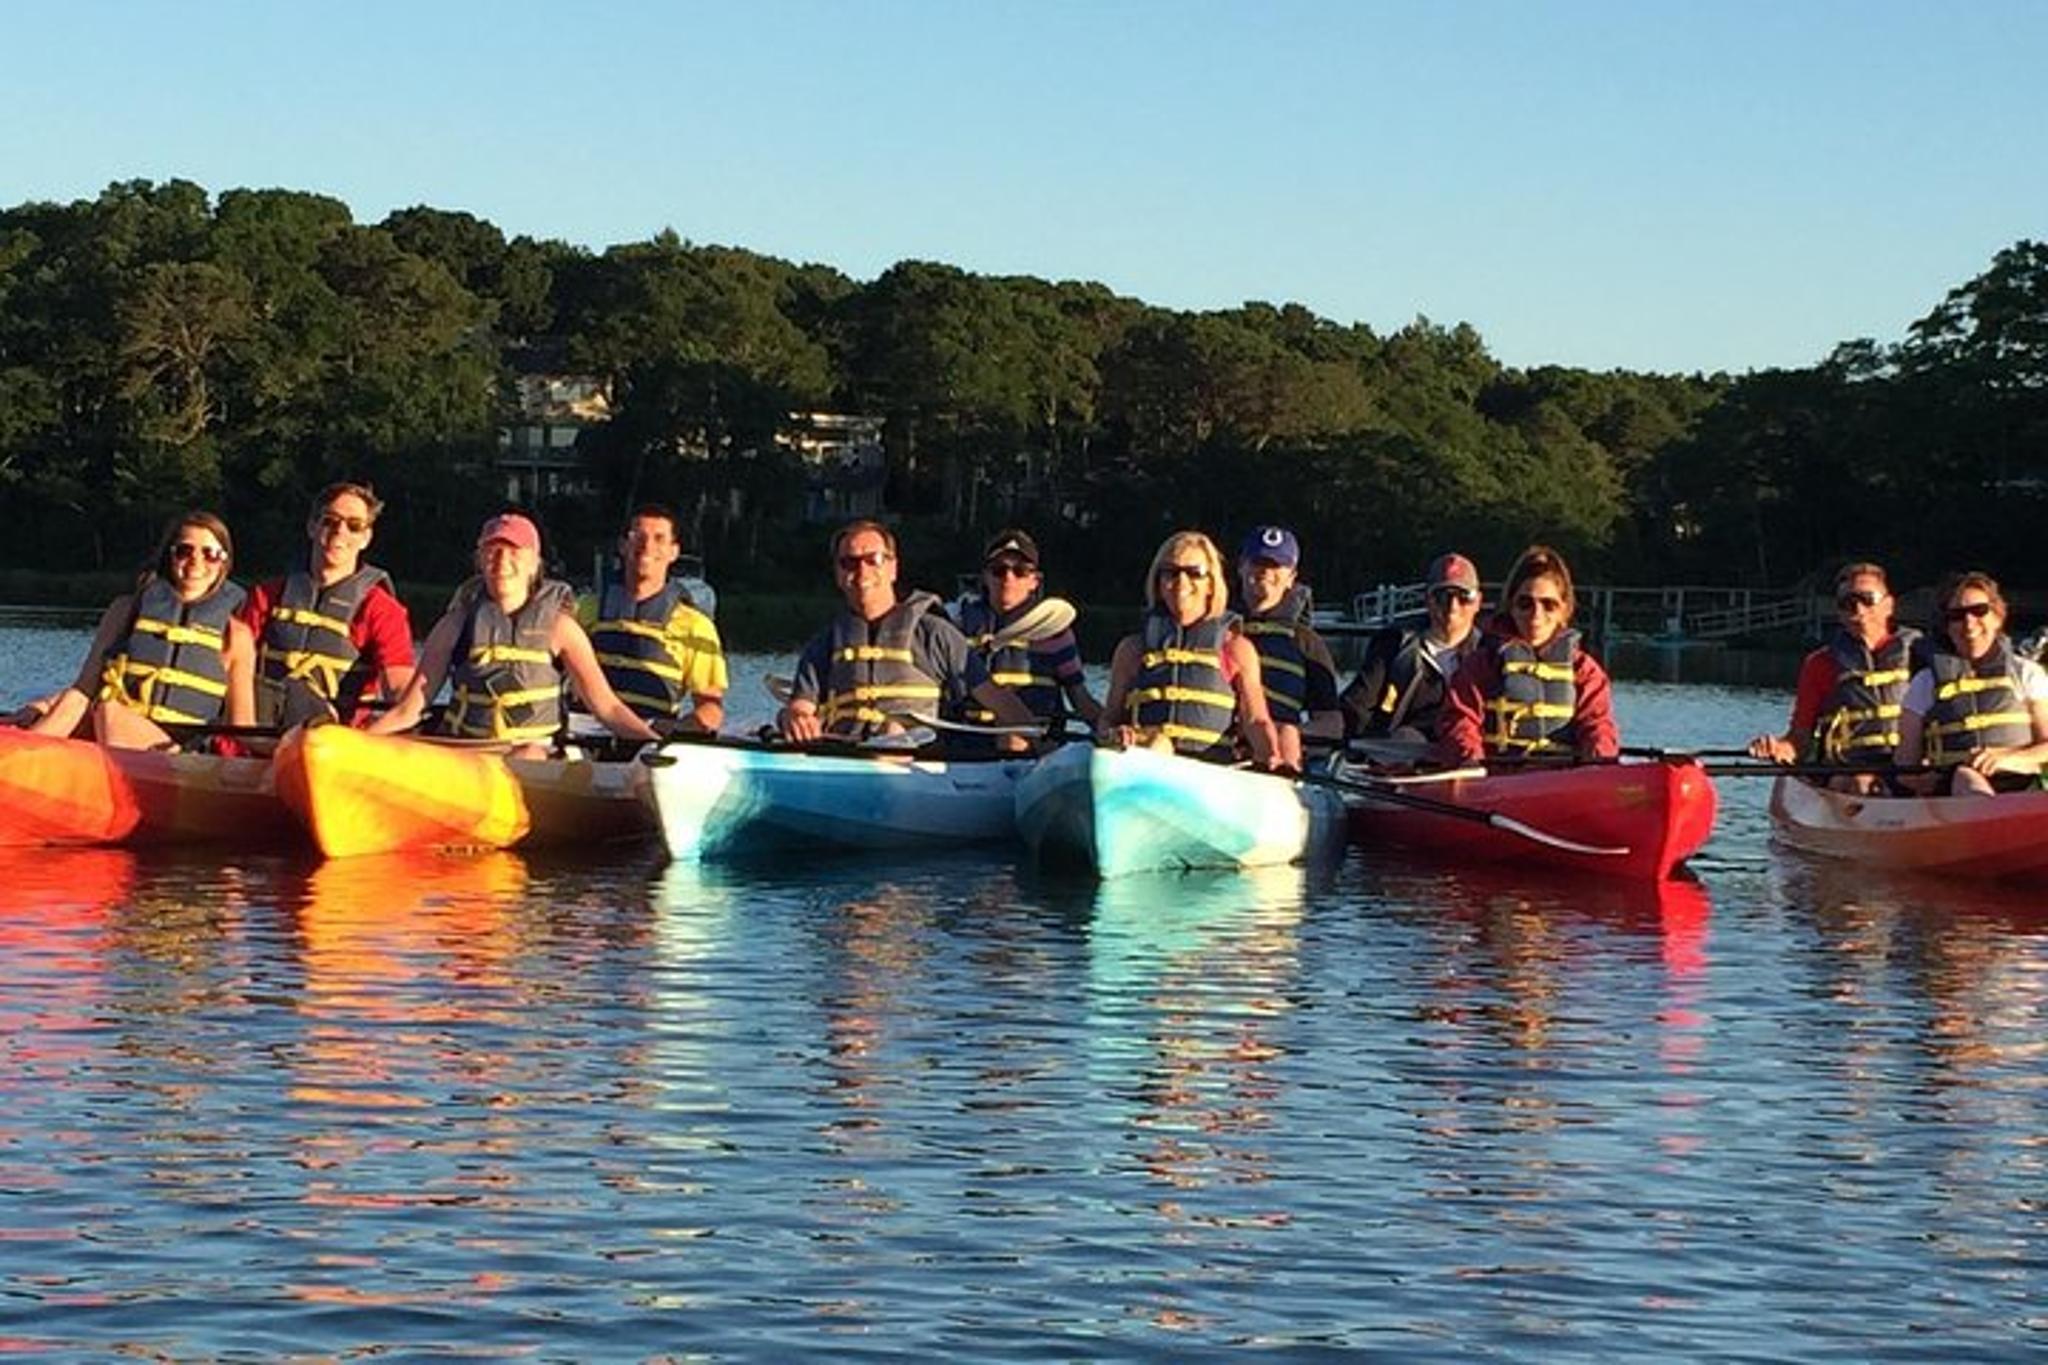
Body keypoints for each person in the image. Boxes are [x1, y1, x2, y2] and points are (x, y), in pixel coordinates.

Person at [370, 512, 657, 754]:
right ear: (480, 560)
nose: (501, 560)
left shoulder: (561, 629)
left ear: (534, 563)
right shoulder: (455, 625)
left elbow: (606, 707)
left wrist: (655, 745)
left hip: (534, 756)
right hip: (467, 753)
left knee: (530, 753)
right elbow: (407, 710)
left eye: (514, 551)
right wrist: (357, 743)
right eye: (492, 551)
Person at [780, 520, 1036, 745]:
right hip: (846, 757)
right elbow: (800, 707)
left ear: (893, 568)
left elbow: (999, 701)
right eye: (849, 563)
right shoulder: (825, 643)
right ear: (837, 573)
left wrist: (1045, 750)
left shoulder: (936, 634)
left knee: (894, 729)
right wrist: (795, 719)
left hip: (918, 762)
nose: (862, 572)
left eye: (874, 560)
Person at [25, 511, 257, 749]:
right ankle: (21, 755)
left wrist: (288, 746)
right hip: (115, 730)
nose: (196, 562)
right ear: (170, 556)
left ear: (224, 563)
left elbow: (243, 727)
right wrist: (34, 724)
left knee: (109, 711)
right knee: (87, 707)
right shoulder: (125, 611)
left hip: (182, 755)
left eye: (211, 554)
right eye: (185, 551)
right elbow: (83, 691)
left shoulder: (235, 635)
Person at [238, 481, 415, 729]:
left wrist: (407, 711)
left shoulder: (381, 609)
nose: (340, 531)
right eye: (330, 521)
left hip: (335, 745)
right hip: (260, 735)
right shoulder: (266, 596)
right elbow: (231, 664)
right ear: (312, 527)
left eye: (354, 526)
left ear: (366, 538)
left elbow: (398, 683)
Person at [1098, 530, 1280, 769]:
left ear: (1211, 585)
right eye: (1171, 573)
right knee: (1157, 745)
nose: (1182, 582)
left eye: (1195, 573)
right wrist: (1114, 733)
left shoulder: (1236, 649)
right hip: (1145, 764)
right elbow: (1109, 718)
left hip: (1210, 773)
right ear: (1159, 584)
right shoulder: (1132, 650)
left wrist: (1271, 756)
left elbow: (1256, 720)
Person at [1747, 561, 1925, 790]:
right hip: (1849, 770)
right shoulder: (1820, 664)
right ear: (1839, 612)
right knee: (1860, 782)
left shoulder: (1920, 653)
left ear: (1889, 605)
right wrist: (1777, 748)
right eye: (1848, 603)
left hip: (1911, 767)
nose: (1858, 610)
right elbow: (1800, 738)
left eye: (1867, 599)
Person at [1439, 543, 1618, 763]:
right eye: (1525, 603)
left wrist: (1600, 764)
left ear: (1564, 609)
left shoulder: (1584, 670)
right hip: (1496, 783)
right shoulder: (1482, 665)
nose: (1536, 615)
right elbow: (1460, 721)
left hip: (1562, 783)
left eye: (1548, 605)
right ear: (1511, 606)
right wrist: (1470, 763)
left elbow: (1597, 725)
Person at [1894, 571, 2048, 796]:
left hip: (2020, 788)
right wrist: (1921, 780)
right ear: (1947, 626)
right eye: (1957, 615)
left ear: (1997, 617)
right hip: (1952, 793)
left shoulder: (2026, 673)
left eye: (1979, 611)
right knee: (1964, 777)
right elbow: (1905, 764)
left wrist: (2006, 757)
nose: (1968, 622)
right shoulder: (1924, 683)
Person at [577, 503, 726, 734]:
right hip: (583, 740)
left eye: (659, 539)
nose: (647, 546)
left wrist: (682, 728)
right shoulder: (586, 610)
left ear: (674, 551)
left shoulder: (696, 626)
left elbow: (710, 705)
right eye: (638, 536)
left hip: (648, 747)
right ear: (623, 546)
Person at [948, 527, 1100, 748]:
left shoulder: (1054, 630)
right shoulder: (957, 623)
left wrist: (1109, 729)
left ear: (1034, 581)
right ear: (985, 577)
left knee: (1013, 739)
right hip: (966, 743)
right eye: (998, 570)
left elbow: (1080, 698)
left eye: (1019, 571)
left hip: (1032, 747)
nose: (1008, 578)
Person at [1340, 551, 1484, 743]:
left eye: (1463, 596)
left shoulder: (1491, 652)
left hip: (1473, 756)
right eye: (1442, 596)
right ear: (1427, 600)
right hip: (1402, 756)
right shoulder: (1393, 645)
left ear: (1478, 602)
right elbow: (1356, 706)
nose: (1453, 607)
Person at [1234, 525, 1341, 768]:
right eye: (1257, 562)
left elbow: (1332, 724)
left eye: (1275, 565)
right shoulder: (1219, 629)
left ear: (1291, 577)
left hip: (1277, 757)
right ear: (1241, 567)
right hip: (1221, 751)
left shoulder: (1305, 642)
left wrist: (1290, 733)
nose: (1265, 572)